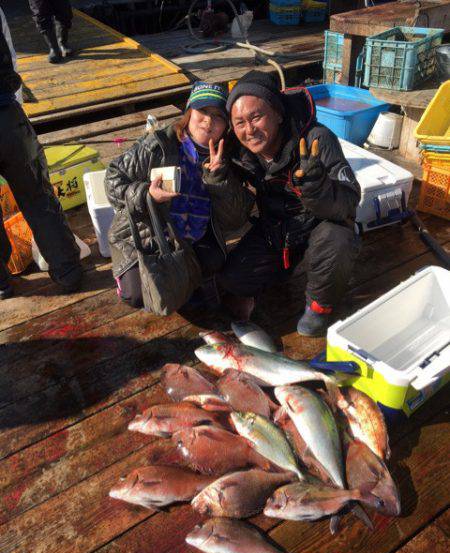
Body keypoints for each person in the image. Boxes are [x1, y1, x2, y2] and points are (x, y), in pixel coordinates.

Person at [217, 71, 361, 337]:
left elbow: (350, 201)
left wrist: (319, 187)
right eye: (240, 123)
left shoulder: (318, 139)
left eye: (256, 117)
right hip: (277, 232)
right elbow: (232, 216)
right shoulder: (237, 154)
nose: (249, 130)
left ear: (278, 113)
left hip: (320, 227)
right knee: (232, 280)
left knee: (339, 239)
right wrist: (217, 180)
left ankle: (320, 307)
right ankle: (281, 273)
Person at [105, 81, 252, 310]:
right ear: (189, 111)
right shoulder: (158, 145)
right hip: (150, 230)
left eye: (218, 116)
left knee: (213, 263)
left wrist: (217, 178)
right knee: (134, 294)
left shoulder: (230, 158)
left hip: (195, 235)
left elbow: (235, 220)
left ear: (227, 126)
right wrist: (146, 194)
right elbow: (113, 180)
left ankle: (189, 277)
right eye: (202, 111)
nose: (208, 121)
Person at [0, 20, 82, 300]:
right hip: (7, 119)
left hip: (6, 113)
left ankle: (2, 282)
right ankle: (68, 271)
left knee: (37, 196)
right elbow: (9, 55)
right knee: (37, 197)